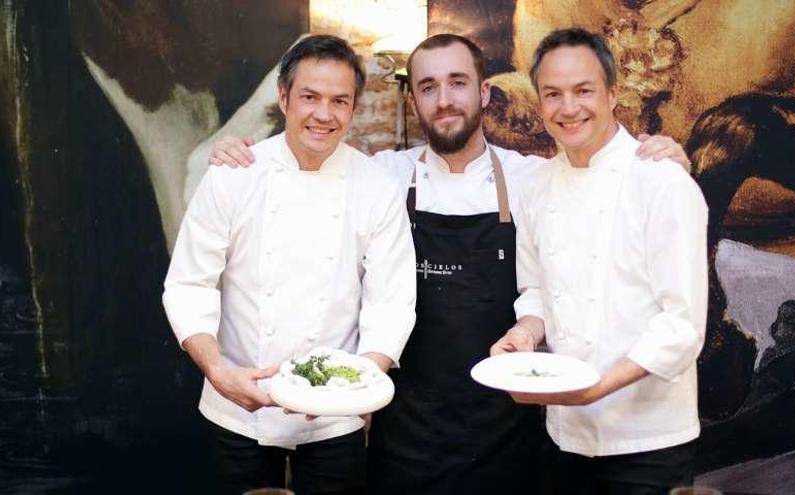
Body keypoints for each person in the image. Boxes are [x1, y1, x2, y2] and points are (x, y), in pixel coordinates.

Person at [209, 34, 689, 495]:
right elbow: (310, 175)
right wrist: (237, 154)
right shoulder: (382, 178)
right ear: (413, 100)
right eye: (428, 87)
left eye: (458, 83)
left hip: (507, 431)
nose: (444, 100)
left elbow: (592, 193)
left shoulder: (534, 179)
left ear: (484, 93)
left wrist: (662, 162)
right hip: (407, 436)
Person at [162, 35, 416, 495]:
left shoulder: (376, 187)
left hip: (334, 415)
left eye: (339, 101)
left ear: (354, 108)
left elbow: (392, 302)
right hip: (236, 404)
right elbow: (189, 285)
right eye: (309, 97)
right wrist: (218, 371)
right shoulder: (234, 174)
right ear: (283, 98)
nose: (324, 114)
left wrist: (356, 385)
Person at [490, 28, 708, 495]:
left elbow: (682, 325)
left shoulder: (663, 182)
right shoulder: (537, 188)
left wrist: (597, 388)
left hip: (649, 441)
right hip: (564, 435)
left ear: (612, 94)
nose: (568, 108)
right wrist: (524, 333)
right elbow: (536, 291)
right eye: (553, 94)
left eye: (583, 90)